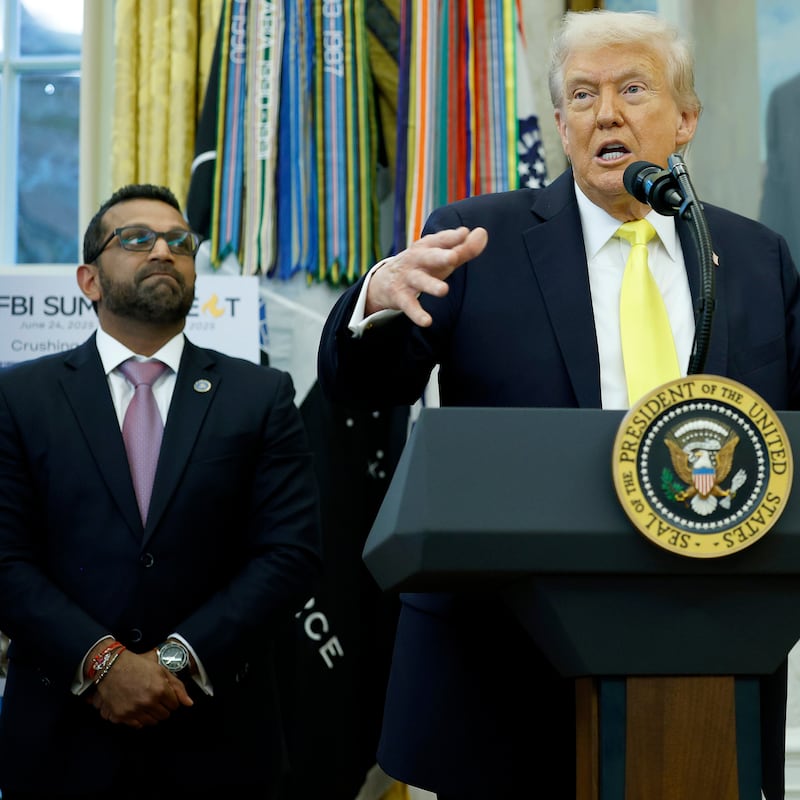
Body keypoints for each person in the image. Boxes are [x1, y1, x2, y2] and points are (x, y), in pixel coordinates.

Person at [318, 9, 800, 799]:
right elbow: (366, 390)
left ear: (685, 120)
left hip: (710, 645)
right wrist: (373, 299)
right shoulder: (479, 237)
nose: (605, 112)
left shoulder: (753, 256)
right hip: (508, 654)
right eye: (582, 95)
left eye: (632, 89)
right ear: (563, 126)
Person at [0, 184, 322, 799]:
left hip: (218, 739)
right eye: (137, 240)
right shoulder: (20, 398)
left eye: (180, 242)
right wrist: (104, 666)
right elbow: (6, 560)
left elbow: (291, 556)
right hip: (60, 742)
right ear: (89, 280)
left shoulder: (261, 396)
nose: (163, 253)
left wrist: (174, 662)